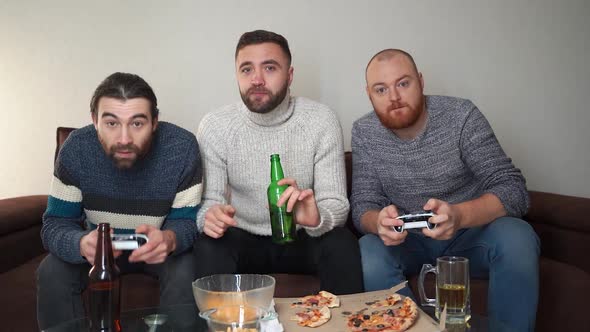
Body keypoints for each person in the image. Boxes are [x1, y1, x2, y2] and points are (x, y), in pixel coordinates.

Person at [351, 49, 540, 331]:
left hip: (470, 236)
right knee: (369, 247)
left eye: (403, 84)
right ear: (369, 95)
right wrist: (377, 222)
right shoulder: (364, 131)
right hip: (408, 242)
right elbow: (363, 206)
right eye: (381, 89)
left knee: (518, 235)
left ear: (421, 82)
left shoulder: (461, 116)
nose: (394, 97)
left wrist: (459, 216)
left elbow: (513, 189)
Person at [193, 30, 363, 294]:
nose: (257, 79)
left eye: (269, 68)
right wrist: (210, 218)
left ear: (290, 75)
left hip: (303, 235)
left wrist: (317, 217)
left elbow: (336, 203)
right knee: (209, 244)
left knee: (341, 242)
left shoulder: (320, 119)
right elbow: (209, 205)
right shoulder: (215, 126)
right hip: (243, 236)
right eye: (246, 69)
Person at [36, 72, 202, 330]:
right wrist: (81, 243)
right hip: (98, 252)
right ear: (94, 120)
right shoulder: (76, 149)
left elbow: (188, 223)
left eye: (137, 123)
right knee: (51, 270)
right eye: (112, 123)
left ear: (155, 122)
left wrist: (170, 239)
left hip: (155, 250)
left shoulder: (182, 148)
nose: (124, 139)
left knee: (186, 266)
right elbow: (55, 223)